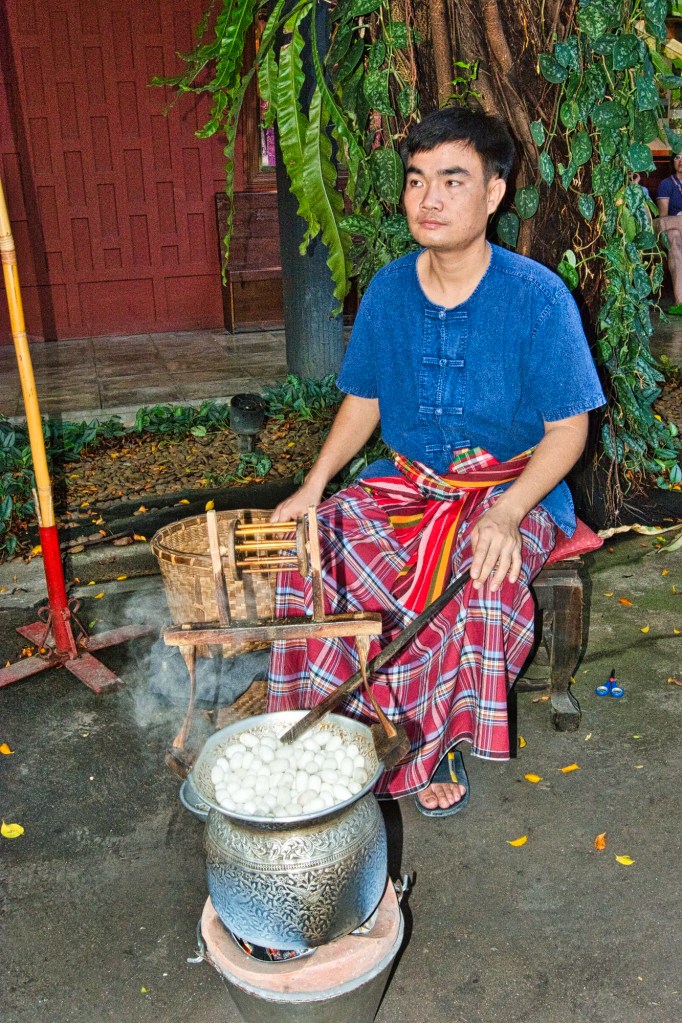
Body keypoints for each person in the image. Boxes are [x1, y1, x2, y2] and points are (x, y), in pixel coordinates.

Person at [266, 106, 605, 816]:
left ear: (495, 193)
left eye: (453, 181)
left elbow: (568, 429)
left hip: (514, 486)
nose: (430, 199)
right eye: (418, 180)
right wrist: (314, 485)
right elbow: (363, 401)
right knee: (316, 547)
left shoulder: (539, 298)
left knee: (480, 575)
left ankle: (436, 739)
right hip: (410, 482)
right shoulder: (390, 290)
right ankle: (335, 732)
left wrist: (509, 514)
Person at [656, 151, 682, 315]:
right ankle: (680, 301)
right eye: (677, 157)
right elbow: (663, 219)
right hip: (671, 231)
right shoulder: (667, 184)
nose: (681, 161)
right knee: (673, 235)